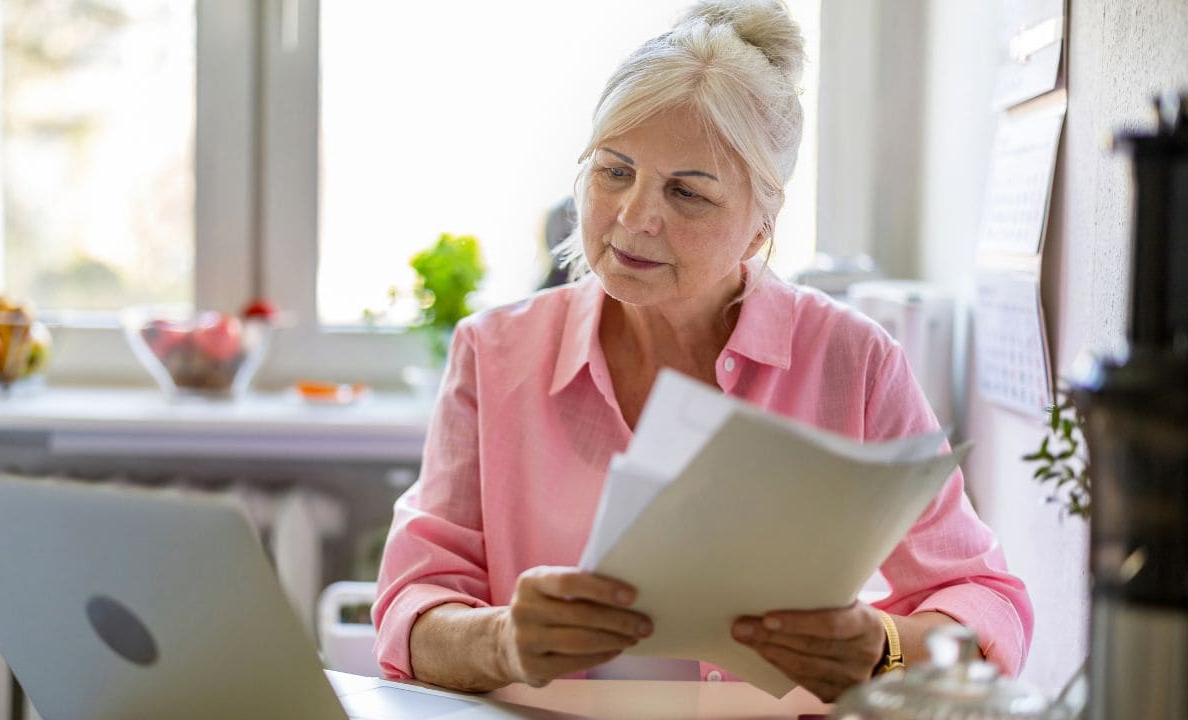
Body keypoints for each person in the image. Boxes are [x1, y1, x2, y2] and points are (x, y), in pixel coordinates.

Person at [373, 0, 1032, 702]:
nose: (633, 218)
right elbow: (410, 613)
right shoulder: (494, 354)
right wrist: (501, 640)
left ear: (758, 227)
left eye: (687, 193)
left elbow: (990, 605)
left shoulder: (853, 361)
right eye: (613, 170)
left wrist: (886, 647)